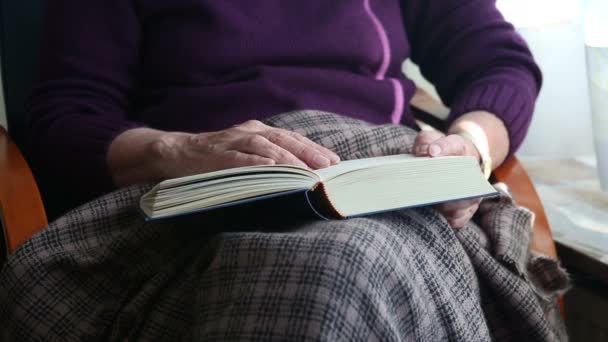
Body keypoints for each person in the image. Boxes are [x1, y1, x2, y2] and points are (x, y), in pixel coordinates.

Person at [2, 0, 567, 341]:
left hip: (380, 189)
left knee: (346, 263)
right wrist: (179, 150)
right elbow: (66, 115)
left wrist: (467, 147)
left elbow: (498, 63)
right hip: (195, 204)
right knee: (329, 273)